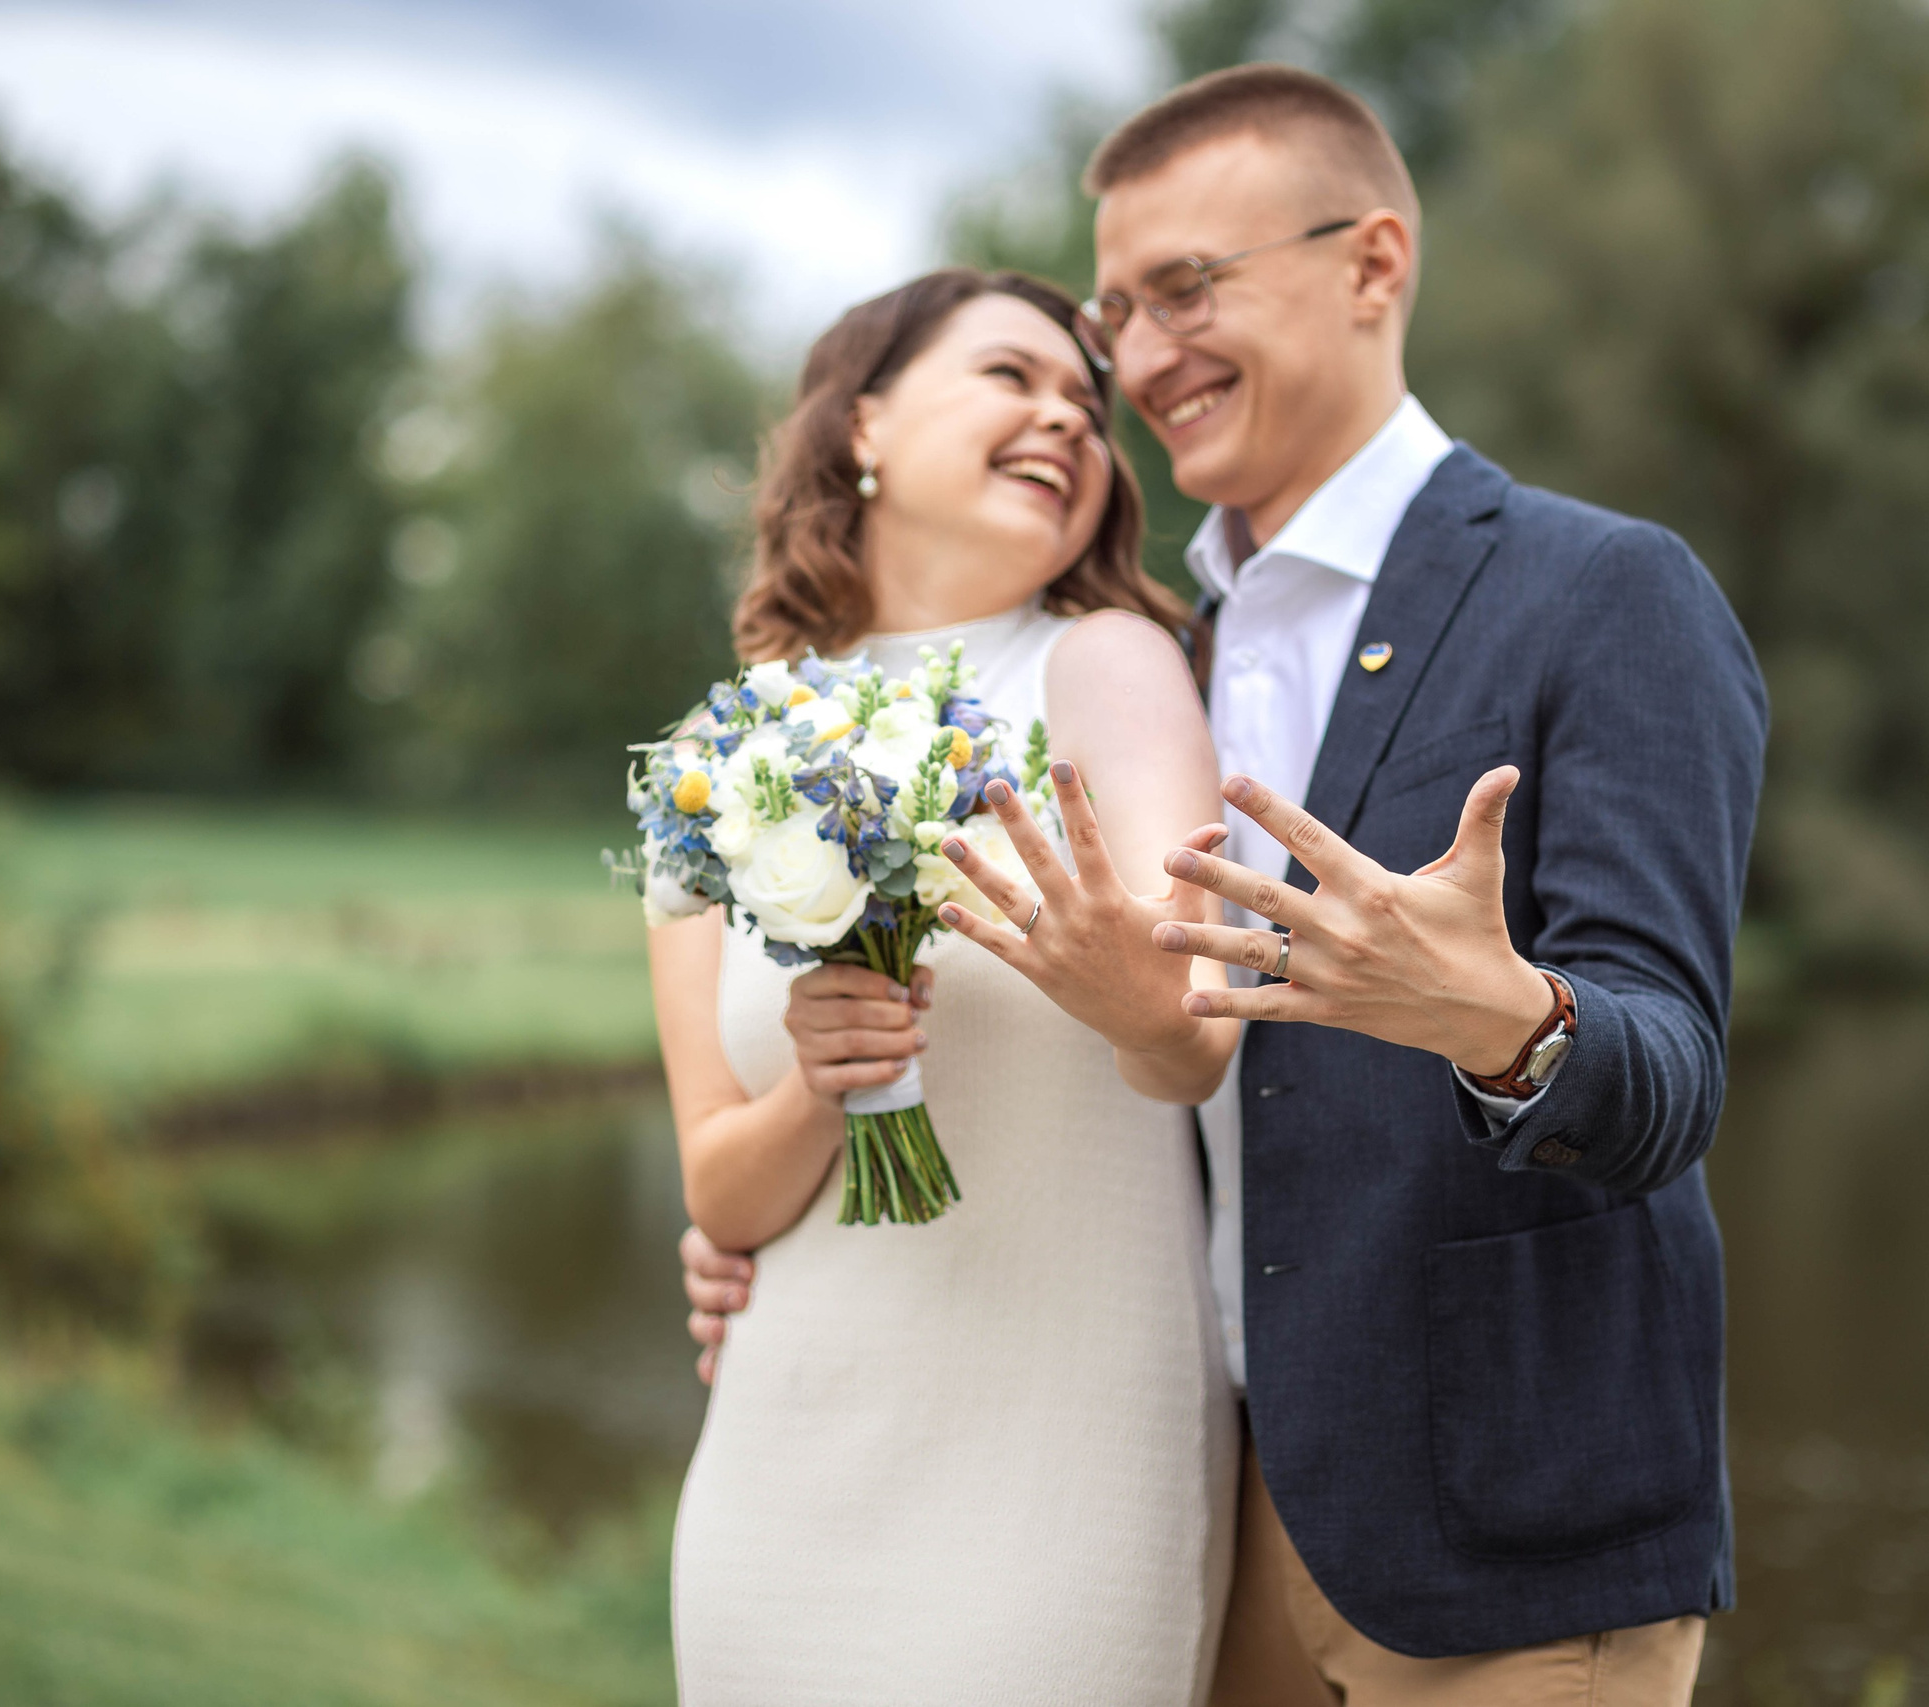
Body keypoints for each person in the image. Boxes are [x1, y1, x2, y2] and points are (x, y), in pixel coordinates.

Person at [684, 64, 1768, 1705]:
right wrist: (773, 1216)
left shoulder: (1604, 592)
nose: (1142, 357)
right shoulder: (1153, 659)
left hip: (1504, 1545)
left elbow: (1668, 1077)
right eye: (1122, 310)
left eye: (1189, 286)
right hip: (1215, 1498)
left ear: (1373, 265)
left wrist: (1505, 1018)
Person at [655, 267, 1250, 1705]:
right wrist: (823, 1075)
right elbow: (722, 1195)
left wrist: (1133, 993)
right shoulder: (717, 747)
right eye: (1012, 377)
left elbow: (1190, 1044)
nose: (1065, 417)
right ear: (865, 422)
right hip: (786, 1457)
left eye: (1085, 405)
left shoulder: (1104, 665)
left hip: (1059, 1464)